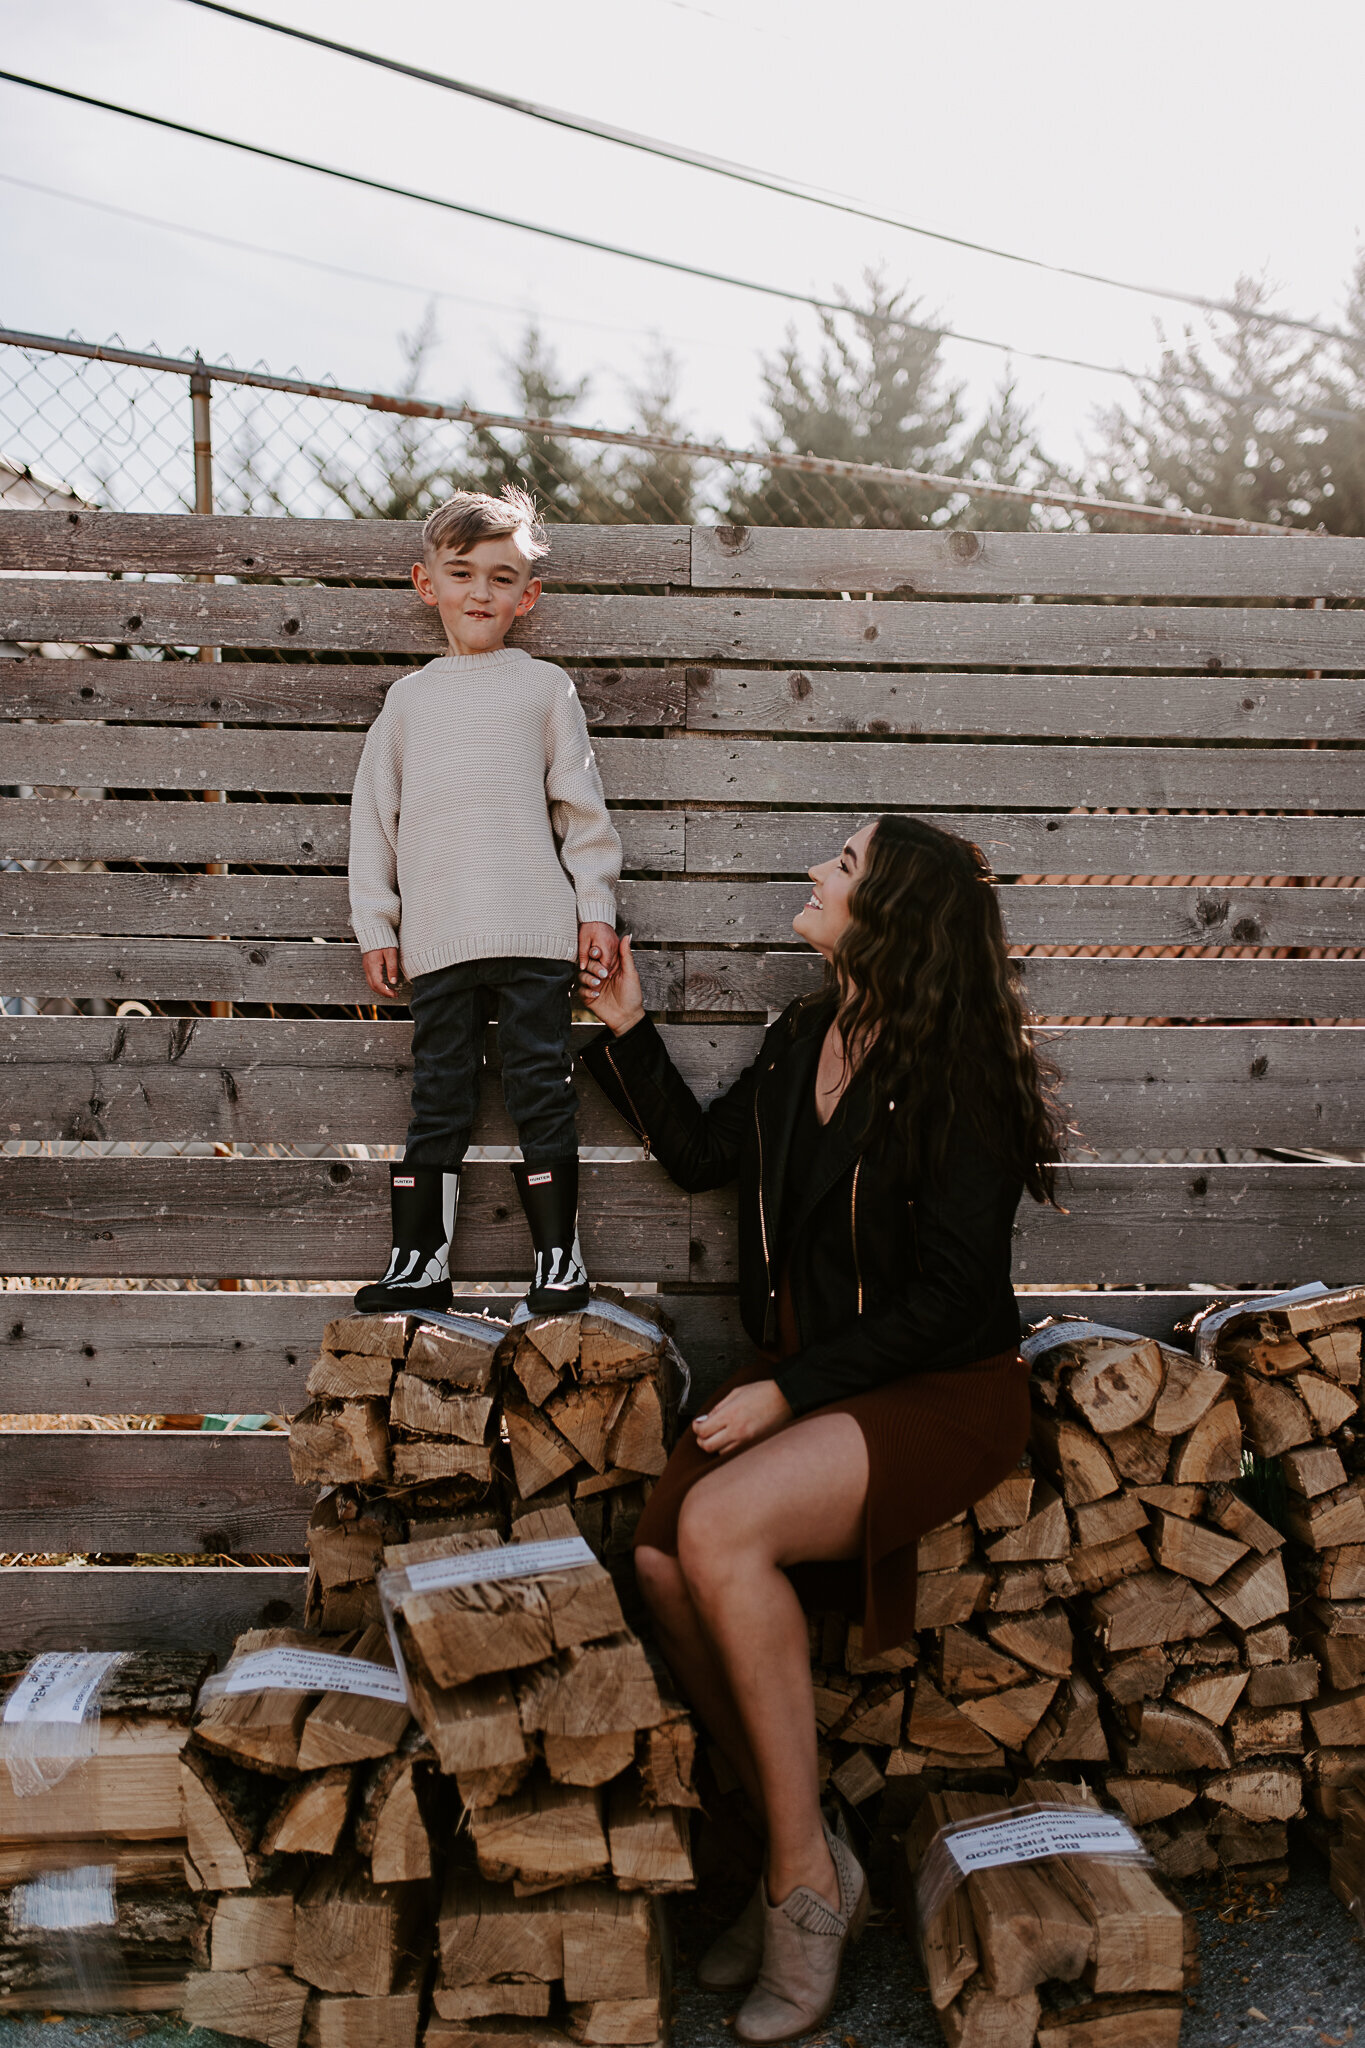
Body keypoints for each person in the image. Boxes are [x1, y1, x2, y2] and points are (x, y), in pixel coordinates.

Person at [578, 816, 1065, 2044]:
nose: (814, 874)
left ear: (892, 911)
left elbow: (955, 1300)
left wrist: (788, 1393)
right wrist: (629, 1026)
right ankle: (817, 1856)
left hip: (942, 1387)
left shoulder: (961, 1071)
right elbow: (701, 1156)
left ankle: (797, 1888)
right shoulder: (805, 1035)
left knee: (722, 1528)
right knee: (656, 1555)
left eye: (841, 866)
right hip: (814, 1373)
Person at [348, 486, 620, 1316]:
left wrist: (595, 909)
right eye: (460, 573)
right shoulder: (408, 702)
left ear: (527, 596)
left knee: (542, 1087)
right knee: (439, 1096)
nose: (479, 593)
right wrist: (375, 925)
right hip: (435, 941)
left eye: (501, 578)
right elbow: (373, 820)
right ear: (425, 583)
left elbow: (581, 809)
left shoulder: (544, 689)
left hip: (536, 934)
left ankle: (558, 1262)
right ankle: (419, 1262)